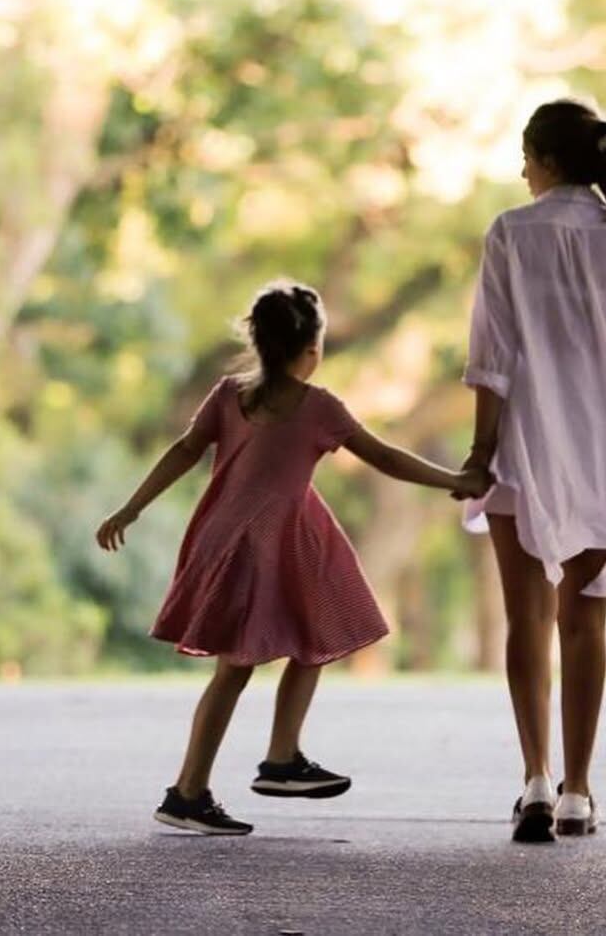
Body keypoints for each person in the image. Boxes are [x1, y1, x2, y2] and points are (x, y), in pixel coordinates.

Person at [97, 280, 487, 837]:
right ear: (312, 350)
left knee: (299, 638)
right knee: (250, 661)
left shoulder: (230, 395)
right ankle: (204, 786)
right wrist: (455, 480)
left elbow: (184, 451)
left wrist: (131, 508)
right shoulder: (317, 406)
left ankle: (265, 763)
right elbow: (382, 457)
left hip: (231, 538)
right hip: (263, 544)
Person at [458, 98, 606, 843]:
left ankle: (533, 779)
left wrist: (479, 452)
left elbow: (491, 360)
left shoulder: (509, 234)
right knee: (584, 622)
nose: (520, 170)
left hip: (525, 446)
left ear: (548, 160)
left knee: (525, 616)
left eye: (525, 156)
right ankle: (579, 791)